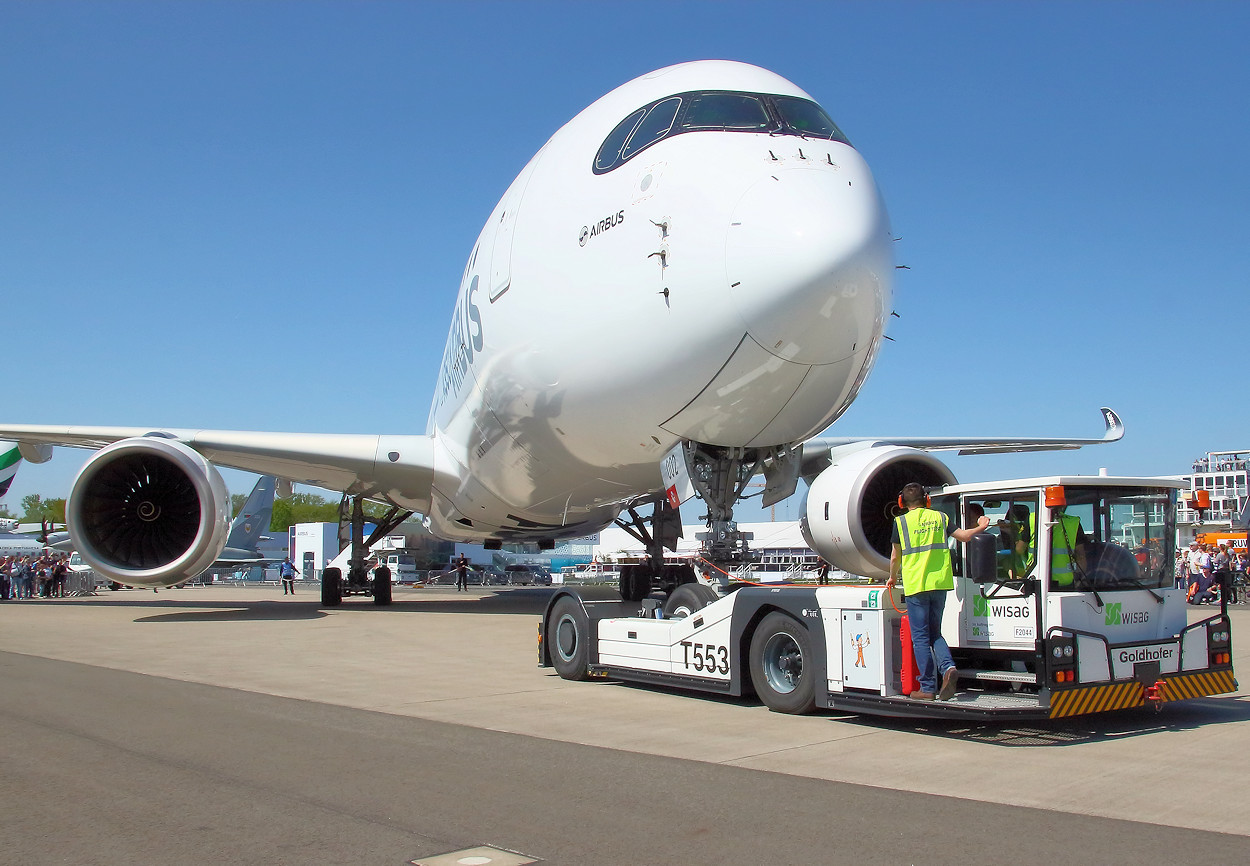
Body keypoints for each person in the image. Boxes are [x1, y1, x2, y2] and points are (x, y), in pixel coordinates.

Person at [886, 482, 989, 701]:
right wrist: (981, 526)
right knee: (935, 633)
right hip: (940, 583)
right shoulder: (940, 517)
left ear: (901, 502)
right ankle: (948, 667)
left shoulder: (900, 522)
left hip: (917, 586)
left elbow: (896, 557)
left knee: (921, 638)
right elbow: (963, 536)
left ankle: (927, 687)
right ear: (927, 500)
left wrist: (892, 577)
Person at [1049, 507, 1087, 590]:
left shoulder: (1032, 519)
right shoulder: (1073, 523)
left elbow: (1020, 549)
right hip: (1066, 584)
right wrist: (1081, 580)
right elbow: (1080, 556)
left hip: (1033, 583)